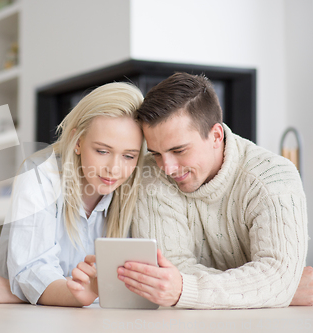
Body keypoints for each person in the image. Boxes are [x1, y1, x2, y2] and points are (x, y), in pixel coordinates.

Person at [109, 72, 311, 308]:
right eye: (156, 153)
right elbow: (169, 270)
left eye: (179, 150)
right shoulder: (151, 172)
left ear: (215, 135)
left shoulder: (273, 177)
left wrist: (185, 289)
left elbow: (275, 275)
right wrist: (269, 291)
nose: (167, 168)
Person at [0, 82, 146, 306]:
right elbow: (32, 271)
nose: (114, 169)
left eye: (129, 156)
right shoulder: (39, 175)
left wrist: (17, 294)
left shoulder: (136, 187)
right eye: (102, 151)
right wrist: (81, 294)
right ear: (78, 141)